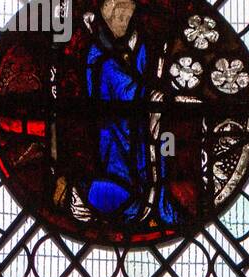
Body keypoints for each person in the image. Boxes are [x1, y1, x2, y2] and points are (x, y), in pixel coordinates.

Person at [72, 0, 180, 230]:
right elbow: (117, 85)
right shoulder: (97, 53)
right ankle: (129, 204)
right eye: (119, 17)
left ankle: (154, 205)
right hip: (112, 128)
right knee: (121, 172)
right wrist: (148, 93)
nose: (123, 23)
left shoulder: (135, 46)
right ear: (108, 18)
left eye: (127, 18)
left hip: (139, 125)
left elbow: (143, 72)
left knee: (152, 158)